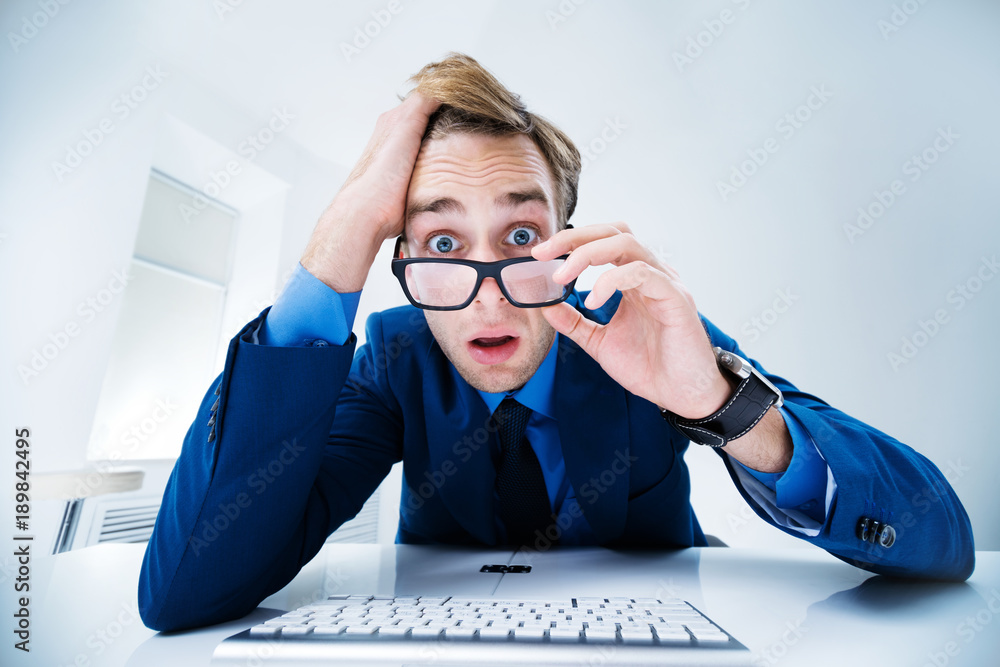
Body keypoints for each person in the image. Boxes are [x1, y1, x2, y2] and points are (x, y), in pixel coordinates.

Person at [138, 53, 974, 632]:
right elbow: (184, 591)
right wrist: (338, 244)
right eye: (439, 245)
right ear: (397, 260)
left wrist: (723, 405)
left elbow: (942, 538)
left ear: (568, 248)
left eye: (521, 234)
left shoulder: (636, 331)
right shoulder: (395, 355)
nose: (488, 288)